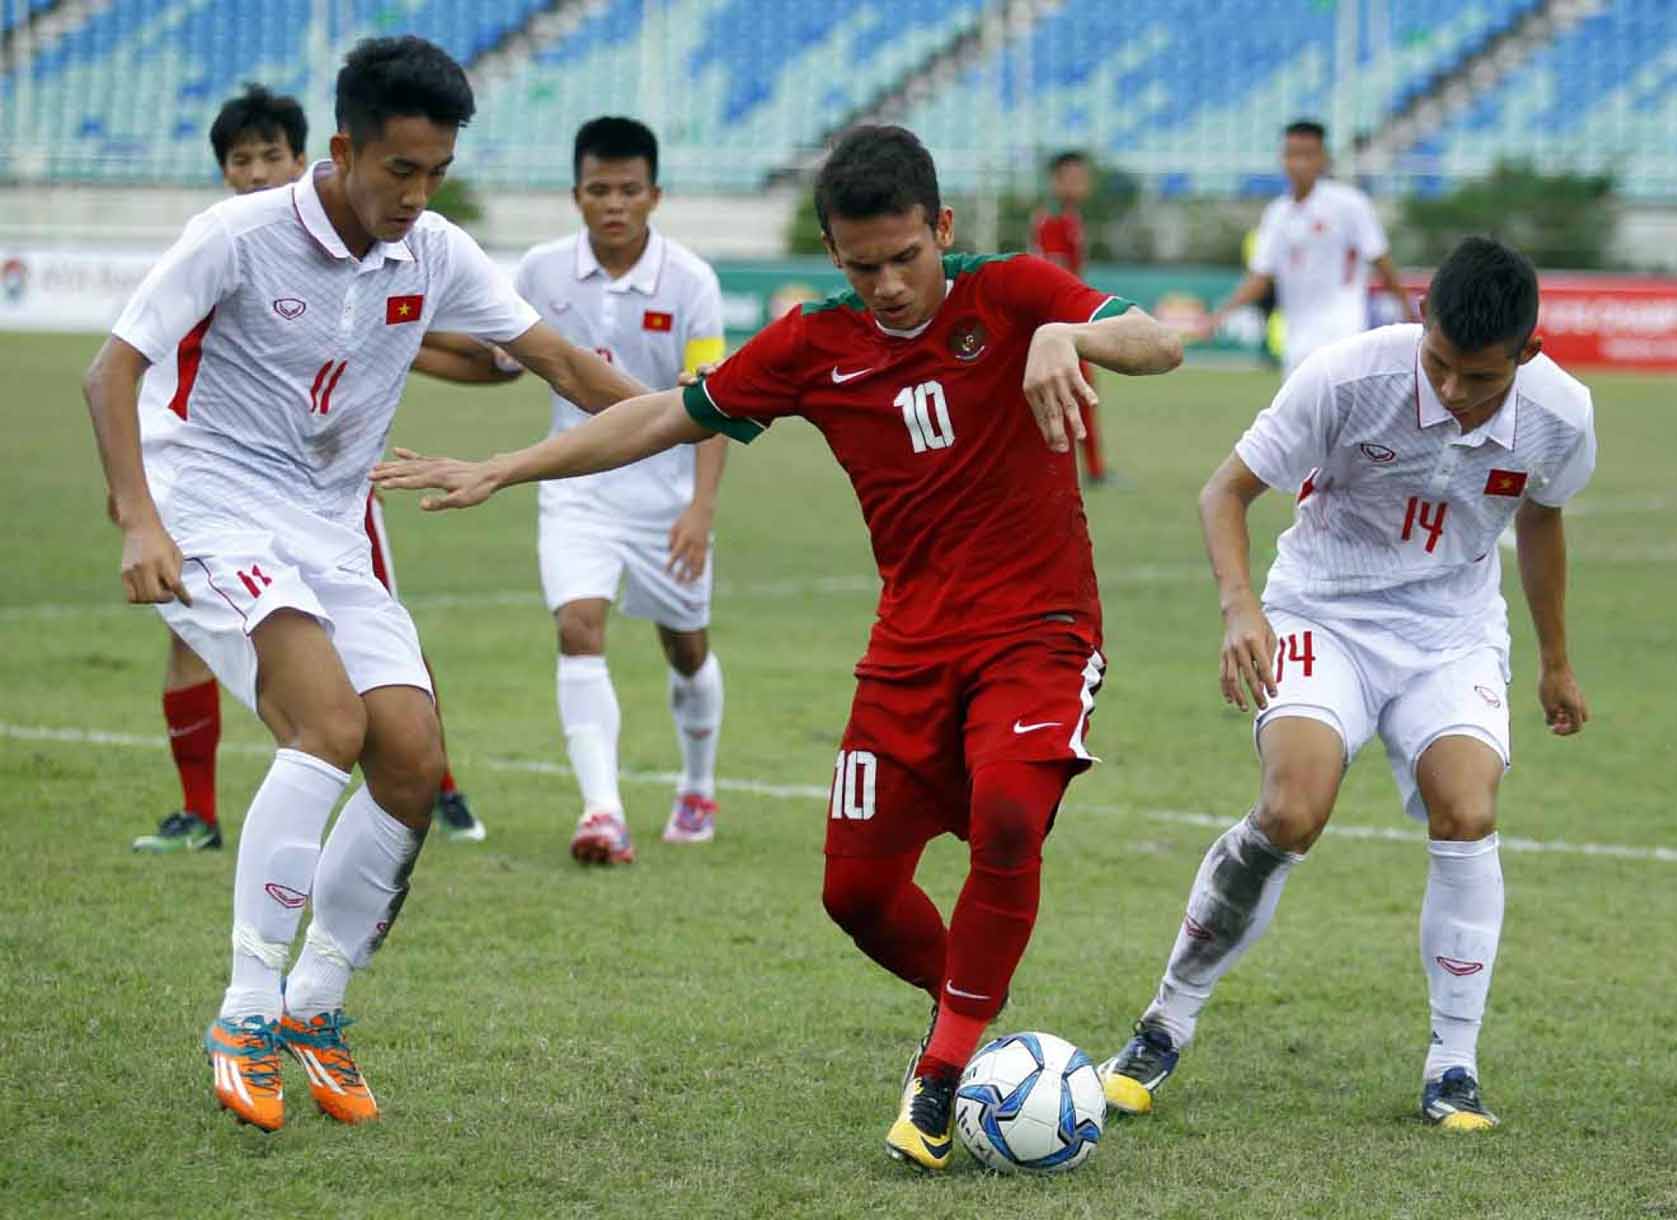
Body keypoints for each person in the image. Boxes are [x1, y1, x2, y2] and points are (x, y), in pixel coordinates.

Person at [371, 124, 1184, 1170]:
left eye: (905, 257)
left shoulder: (1015, 290)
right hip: (907, 646)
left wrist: (1070, 336)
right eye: (862, 265)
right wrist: (509, 464)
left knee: (1009, 810)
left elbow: (1159, 339)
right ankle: (975, 1001)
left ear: (941, 227)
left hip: (1039, 628)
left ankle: (937, 1078)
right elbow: (666, 415)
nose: (888, 285)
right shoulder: (814, 342)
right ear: (831, 254)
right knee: (853, 893)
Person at [84, 36, 649, 1131]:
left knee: (413, 758)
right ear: (342, 149)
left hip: (330, 526)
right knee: (327, 724)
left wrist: (712, 409)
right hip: (210, 502)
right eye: (400, 169)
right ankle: (245, 1008)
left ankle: (315, 1005)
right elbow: (113, 369)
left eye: (436, 171)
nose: (418, 193)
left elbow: (567, 368)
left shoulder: (432, 248)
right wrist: (138, 518)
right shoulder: (236, 234)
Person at [1098, 236, 1595, 1132]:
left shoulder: (1560, 415)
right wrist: (1240, 607)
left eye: (1478, 379)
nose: (1450, 390)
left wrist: (1555, 660)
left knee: (1468, 812)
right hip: (1321, 615)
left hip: (1451, 636)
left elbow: (1542, 524)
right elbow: (1224, 492)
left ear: (1526, 353)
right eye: (1437, 363)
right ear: (1419, 322)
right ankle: (1165, 1021)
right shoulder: (1344, 377)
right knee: (1292, 810)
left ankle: (1452, 1065)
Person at [131, 82, 510, 855]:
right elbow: (138, 369)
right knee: (198, 641)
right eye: (242, 160)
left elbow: (462, 353)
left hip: (333, 494)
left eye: (272, 154)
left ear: (308, 157)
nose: (259, 170)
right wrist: (134, 500)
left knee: (380, 631)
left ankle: (433, 782)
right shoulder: (224, 246)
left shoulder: (382, 245)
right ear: (225, 173)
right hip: (216, 493)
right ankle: (199, 811)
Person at [512, 116, 729, 863]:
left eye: (628, 190)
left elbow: (711, 407)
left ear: (654, 195)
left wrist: (699, 509)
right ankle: (602, 813)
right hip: (575, 487)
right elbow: (502, 358)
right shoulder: (539, 270)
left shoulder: (691, 281)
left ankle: (697, 786)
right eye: (598, 190)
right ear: (575, 195)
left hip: (664, 498)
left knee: (686, 647)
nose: (614, 204)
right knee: (577, 625)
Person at [1211, 120, 1418, 375]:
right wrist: (1222, 314)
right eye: (1292, 155)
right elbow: (1261, 276)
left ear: (1323, 159)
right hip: (1297, 332)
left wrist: (1405, 306)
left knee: (1341, 405)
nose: (1299, 164)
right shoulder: (1277, 214)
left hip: (1343, 325)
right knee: (1300, 411)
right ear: (1282, 159)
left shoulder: (1349, 204)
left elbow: (1379, 258)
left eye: (1307, 156)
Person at [1030, 150, 1110, 483]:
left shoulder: (1068, 217)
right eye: (1072, 177)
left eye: (1083, 177)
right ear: (1057, 181)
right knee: (1077, 391)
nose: (1080, 184)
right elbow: (1055, 275)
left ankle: (1090, 469)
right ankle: (1089, 470)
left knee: (1076, 392)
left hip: (1065, 319)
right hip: (1058, 321)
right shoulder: (1053, 221)